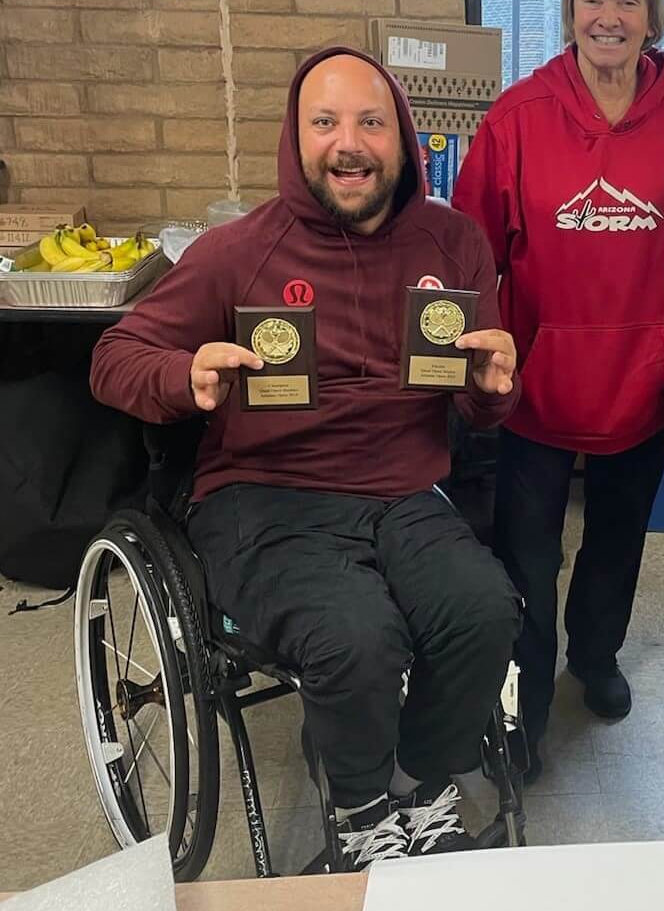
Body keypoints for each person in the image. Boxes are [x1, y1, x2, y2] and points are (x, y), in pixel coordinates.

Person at [91, 47, 522, 866]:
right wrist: (184, 374)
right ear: (297, 139)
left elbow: (477, 399)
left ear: (404, 137)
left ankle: (424, 783)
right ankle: (361, 813)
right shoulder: (237, 249)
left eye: (369, 121)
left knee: (483, 610)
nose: (347, 142)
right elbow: (116, 355)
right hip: (266, 492)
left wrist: (495, 388)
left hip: (404, 486)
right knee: (356, 638)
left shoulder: (453, 242)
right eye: (324, 122)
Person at [453, 0, 664, 781]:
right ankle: (526, 700)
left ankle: (595, 657)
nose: (609, 16)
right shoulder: (517, 119)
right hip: (535, 385)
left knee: (617, 538)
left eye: (628, 1)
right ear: (570, 11)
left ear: (652, 19)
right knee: (528, 550)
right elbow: (472, 254)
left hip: (639, 383)